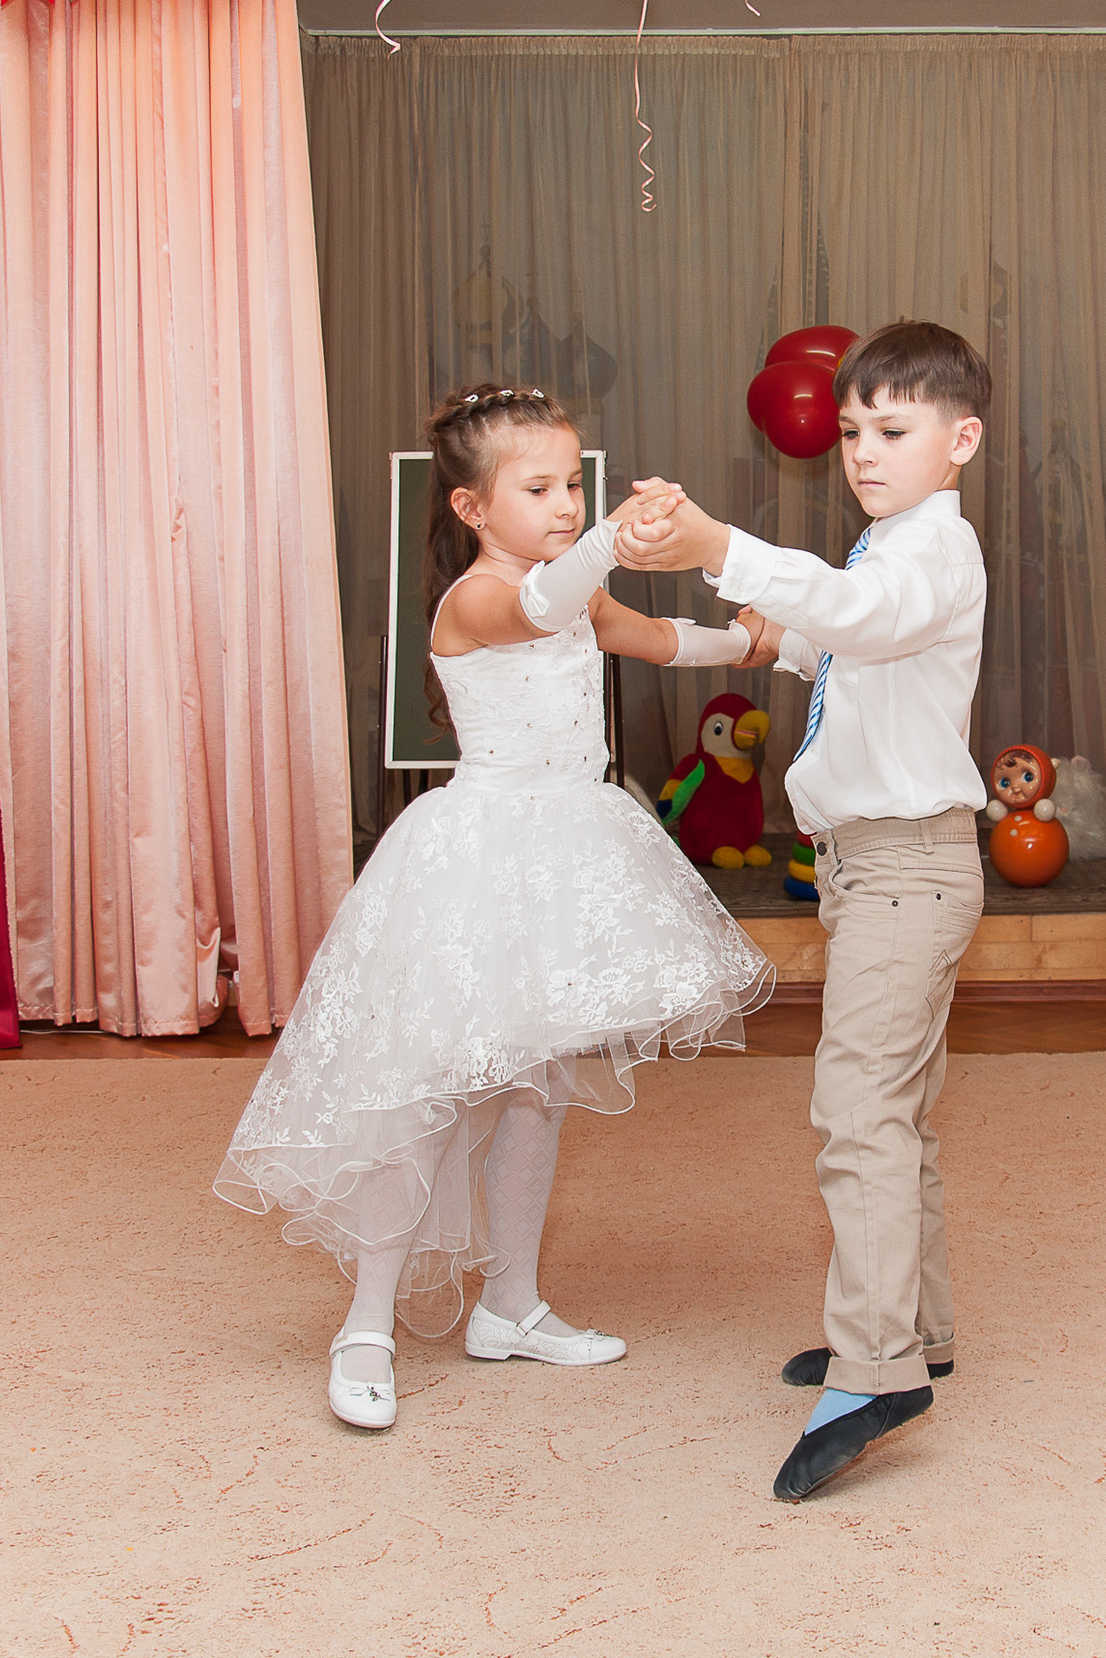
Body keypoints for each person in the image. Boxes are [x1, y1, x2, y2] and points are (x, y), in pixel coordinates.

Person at [214, 385, 775, 1433]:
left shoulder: (569, 587)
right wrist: (613, 535)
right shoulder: (477, 597)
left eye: (574, 483)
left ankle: (511, 1304)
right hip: (478, 863)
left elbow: (651, 637)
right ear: (473, 508)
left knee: (538, 1088)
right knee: (433, 1095)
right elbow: (546, 604)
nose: (565, 502)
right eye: (539, 487)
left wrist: (743, 644)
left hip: (567, 853)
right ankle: (366, 1323)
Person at [614, 321, 990, 1503]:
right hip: (873, 869)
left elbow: (861, 620)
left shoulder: (937, 551)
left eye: (893, 430)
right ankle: (912, 1327)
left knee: (856, 1108)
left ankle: (876, 1370)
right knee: (901, 1109)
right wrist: (683, 627)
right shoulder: (887, 548)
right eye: (849, 432)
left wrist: (722, 541)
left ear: (960, 438)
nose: (863, 451)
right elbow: (828, 643)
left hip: (908, 869)